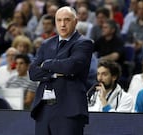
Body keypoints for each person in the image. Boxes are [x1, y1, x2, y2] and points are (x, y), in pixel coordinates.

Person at [29, 6, 93, 135]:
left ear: (75, 21)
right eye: (59, 20)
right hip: (44, 108)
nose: (62, 24)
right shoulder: (46, 44)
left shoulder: (84, 43)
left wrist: (46, 64)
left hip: (69, 108)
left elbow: (71, 66)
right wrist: (55, 73)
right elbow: (33, 72)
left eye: (67, 20)